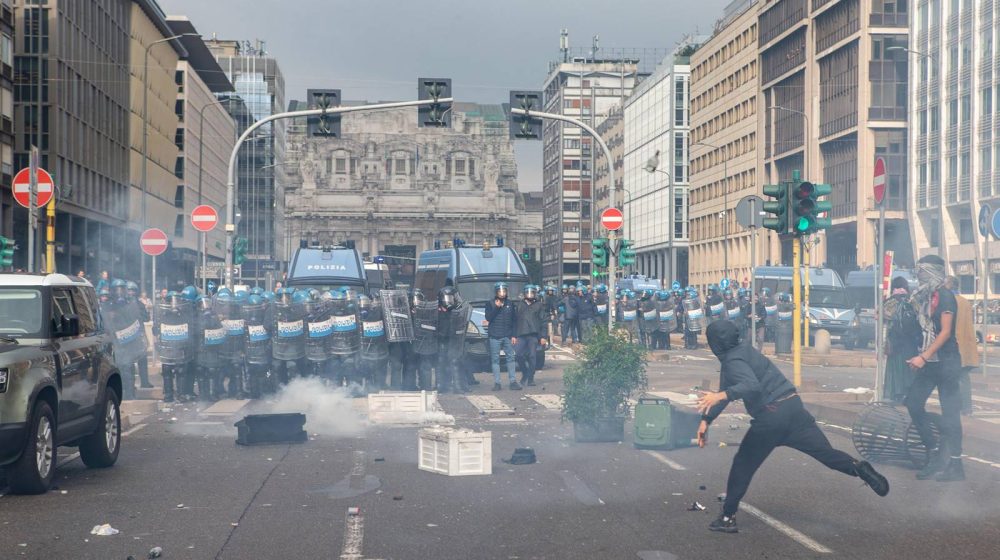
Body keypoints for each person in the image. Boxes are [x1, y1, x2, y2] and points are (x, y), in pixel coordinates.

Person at [697, 320, 889, 534]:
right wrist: (707, 420)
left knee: (743, 464)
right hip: (793, 407)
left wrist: (720, 396)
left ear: (716, 343)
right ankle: (859, 468)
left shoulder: (733, 361)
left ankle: (727, 516)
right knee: (826, 454)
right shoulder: (744, 351)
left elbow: (748, 386)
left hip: (771, 416)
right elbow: (727, 390)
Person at [905, 256, 966, 481]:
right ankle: (933, 450)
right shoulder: (925, 297)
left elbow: (945, 332)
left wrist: (923, 356)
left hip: (947, 363)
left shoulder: (946, 297)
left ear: (932, 272)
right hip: (930, 362)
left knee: (951, 413)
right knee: (912, 403)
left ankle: (956, 466)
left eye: (921, 270)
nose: (917, 274)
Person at [944, 276, 978, 415]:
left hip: (952, 345)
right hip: (966, 345)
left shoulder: (949, 301)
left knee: (949, 378)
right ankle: (967, 407)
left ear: (949, 286)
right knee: (964, 378)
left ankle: (953, 406)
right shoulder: (965, 302)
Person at [883, 277, 921, 403]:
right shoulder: (912, 300)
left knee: (895, 368)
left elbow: (883, 316)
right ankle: (909, 392)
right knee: (909, 368)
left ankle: (896, 393)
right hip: (911, 342)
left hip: (895, 341)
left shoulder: (890, 301)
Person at [484, 282, 518, 391]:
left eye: (504, 291)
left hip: (507, 335)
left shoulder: (510, 303)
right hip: (494, 336)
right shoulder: (490, 303)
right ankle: (497, 383)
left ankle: (513, 381)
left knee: (511, 358)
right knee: (495, 360)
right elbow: (488, 318)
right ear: (496, 292)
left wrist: (514, 335)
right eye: (500, 291)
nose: (502, 293)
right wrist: (497, 307)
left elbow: (514, 320)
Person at [514, 285, 547, 387]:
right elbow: (514, 321)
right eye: (527, 293)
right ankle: (525, 373)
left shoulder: (539, 305)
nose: (529, 294)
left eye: (531, 293)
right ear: (524, 294)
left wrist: (543, 337)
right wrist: (513, 335)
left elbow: (543, 321)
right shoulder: (519, 305)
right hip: (521, 334)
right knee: (519, 355)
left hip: (533, 334)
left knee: (532, 356)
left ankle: (531, 378)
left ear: (534, 294)